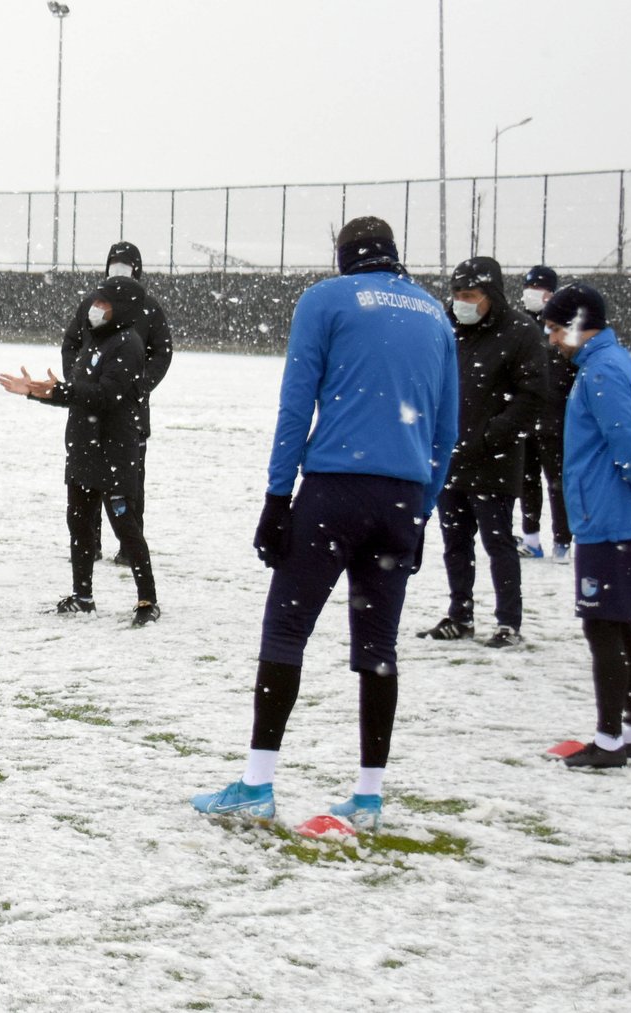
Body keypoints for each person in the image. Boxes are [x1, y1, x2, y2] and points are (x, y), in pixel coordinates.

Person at [191, 217, 456, 830]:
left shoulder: (326, 299)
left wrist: (277, 496)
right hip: (401, 497)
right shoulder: (434, 315)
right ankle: (368, 797)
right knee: (378, 648)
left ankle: (257, 784)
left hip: (335, 490)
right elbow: (446, 431)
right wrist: (421, 509)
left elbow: (296, 403)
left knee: (286, 631)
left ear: (344, 256)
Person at [538, 286, 631, 769]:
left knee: (604, 627)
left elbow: (630, 442)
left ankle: (610, 740)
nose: (553, 339)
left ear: (579, 325)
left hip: (609, 517)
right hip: (617, 514)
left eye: (556, 329)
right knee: (627, 624)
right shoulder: (613, 362)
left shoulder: (601, 370)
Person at [0, 276, 161, 625]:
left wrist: (58, 391)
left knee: (125, 526)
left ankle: (148, 600)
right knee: (80, 522)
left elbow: (105, 395)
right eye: (96, 301)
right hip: (84, 447)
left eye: (104, 304)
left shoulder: (128, 344)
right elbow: (80, 395)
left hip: (114, 449)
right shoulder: (93, 339)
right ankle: (82, 597)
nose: (95, 308)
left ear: (122, 309)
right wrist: (38, 392)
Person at [417, 257, 545, 647]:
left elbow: (533, 394)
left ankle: (508, 622)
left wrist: (493, 436)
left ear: (491, 295)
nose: (462, 302)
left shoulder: (520, 332)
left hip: (495, 461)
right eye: (457, 293)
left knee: (498, 542)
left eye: (470, 294)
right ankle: (460, 615)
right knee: (455, 543)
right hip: (450, 458)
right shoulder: (446, 328)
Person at [59, 242, 174, 567]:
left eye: (125, 266)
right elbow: (72, 343)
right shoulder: (92, 304)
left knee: (126, 484)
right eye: (115, 265)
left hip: (127, 415)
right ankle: (90, 544)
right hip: (91, 413)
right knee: (88, 481)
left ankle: (127, 547)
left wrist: (139, 385)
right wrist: (78, 379)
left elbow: (162, 352)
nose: (119, 273)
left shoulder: (147, 308)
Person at [518, 266, 574, 561]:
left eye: (538, 287)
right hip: (525, 419)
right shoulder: (519, 325)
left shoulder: (564, 328)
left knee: (558, 484)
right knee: (526, 481)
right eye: (529, 287)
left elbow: (572, 374)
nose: (532, 293)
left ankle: (563, 541)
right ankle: (531, 539)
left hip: (555, 421)